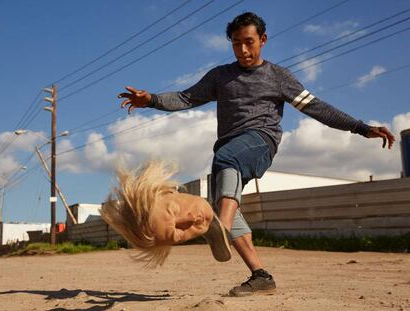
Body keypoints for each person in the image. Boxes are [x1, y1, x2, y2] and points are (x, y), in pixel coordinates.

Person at [117, 12, 396, 296]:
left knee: (227, 166)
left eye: (249, 42)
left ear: (262, 40)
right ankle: (260, 275)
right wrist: (151, 99)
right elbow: (186, 98)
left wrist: (361, 128)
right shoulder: (220, 76)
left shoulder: (278, 76)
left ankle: (220, 228)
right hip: (227, 149)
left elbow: (317, 108)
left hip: (260, 141)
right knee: (224, 199)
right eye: (236, 44)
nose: (243, 50)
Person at [100, 161, 231, 268]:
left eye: (174, 210)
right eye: (179, 234)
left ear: (170, 191)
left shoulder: (225, 157)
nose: (191, 219)